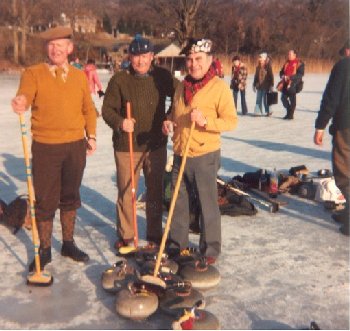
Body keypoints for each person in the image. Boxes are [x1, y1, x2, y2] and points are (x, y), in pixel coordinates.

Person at [11, 26, 97, 271]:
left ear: (70, 48)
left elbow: (88, 109)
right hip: (46, 147)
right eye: (50, 45)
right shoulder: (33, 73)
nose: (55, 49)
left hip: (75, 146)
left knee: (70, 196)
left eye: (60, 44)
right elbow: (25, 95)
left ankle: (68, 243)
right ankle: (45, 248)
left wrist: (91, 135)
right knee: (46, 200)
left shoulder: (80, 76)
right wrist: (21, 101)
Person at [162, 38, 237, 264]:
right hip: (180, 152)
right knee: (177, 202)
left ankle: (210, 249)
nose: (193, 64)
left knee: (207, 204)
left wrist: (206, 121)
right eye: (190, 59)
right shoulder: (181, 87)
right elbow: (173, 112)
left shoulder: (219, 88)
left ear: (209, 60)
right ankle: (177, 244)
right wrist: (168, 122)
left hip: (205, 155)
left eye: (198, 59)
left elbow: (231, 121)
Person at [102, 34, 178, 249]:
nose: (141, 61)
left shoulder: (162, 77)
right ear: (130, 56)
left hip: (156, 145)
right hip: (127, 146)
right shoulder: (120, 79)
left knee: (154, 191)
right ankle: (126, 236)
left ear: (152, 56)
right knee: (128, 191)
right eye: (136, 56)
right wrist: (120, 122)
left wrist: (170, 116)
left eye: (145, 56)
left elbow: (181, 95)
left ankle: (154, 234)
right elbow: (107, 109)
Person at [313, 40, 350, 236]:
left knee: (344, 171)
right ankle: (347, 212)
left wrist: (320, 125)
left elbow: (331, 98)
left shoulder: (343, 66)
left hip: (346, 125)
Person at [278, 49, 305, 120]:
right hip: (285, 83)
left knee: (292, 99)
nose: (289, 55)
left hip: (294, 83)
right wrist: (282, 76)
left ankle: (290, 115)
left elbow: (300, 75)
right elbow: (281, 71)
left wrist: (290, 77)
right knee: (283, 98)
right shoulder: (286, 62)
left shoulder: (300, 63)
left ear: (294, 55)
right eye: (288, 54)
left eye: (290, 54)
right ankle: (289, 112)